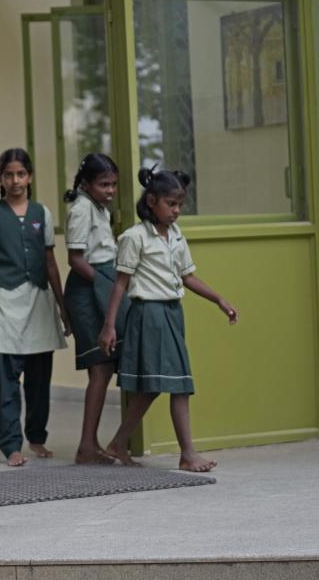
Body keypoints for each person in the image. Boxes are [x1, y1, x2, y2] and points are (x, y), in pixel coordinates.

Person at [98, 166, 238, 472]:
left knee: (153, 387)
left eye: (179, 205)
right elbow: (120, 283)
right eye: (170, 204)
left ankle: (118, 444)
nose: (176, 211)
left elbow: (187, 277)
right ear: (151, 202)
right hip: (149, 315)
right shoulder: (134, 238)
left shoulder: (175, 236)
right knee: (179, 384)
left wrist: (219, 299)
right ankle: (187, 454)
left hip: (172, 314)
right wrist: (109, 326)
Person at [0, 148, 72, 468]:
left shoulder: (42, 213)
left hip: (39, 303)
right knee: (8, 381)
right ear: (0, 179)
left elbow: (50, 263)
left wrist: (62, 307)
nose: (15, 180)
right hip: (5, 301)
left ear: (29, 176)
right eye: (8, 175)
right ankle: (11, 445)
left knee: (38, 379)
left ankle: (36, 437)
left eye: (20, 174)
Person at [62, 153, 130, 465]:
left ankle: (93, 443)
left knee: (104, 367)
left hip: (101, 283)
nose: (111, 190)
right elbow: (75, 259)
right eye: (104, 184)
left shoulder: (98, 208)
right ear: (87, 184)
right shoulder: (81, 209)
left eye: (114, 184)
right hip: (88, 289)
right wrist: (105, 284)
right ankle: (87, 446)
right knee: (100, 367)